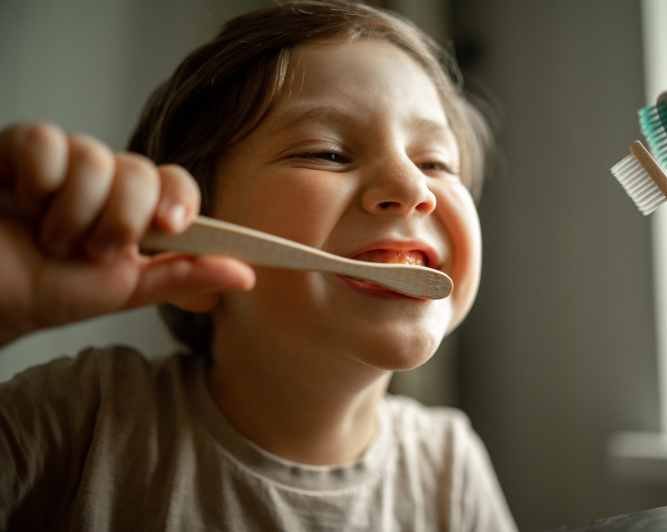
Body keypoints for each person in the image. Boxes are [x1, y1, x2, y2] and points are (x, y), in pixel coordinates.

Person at [0, 1, 516, 530]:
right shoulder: (80, 422)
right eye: (326, 153)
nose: (414, 189)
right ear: (185, 248)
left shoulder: (449, 465)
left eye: (436, 163)